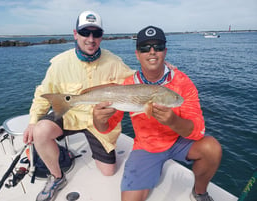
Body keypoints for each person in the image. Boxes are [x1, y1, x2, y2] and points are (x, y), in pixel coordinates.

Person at [93, 25, 222, 201]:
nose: (152, 52)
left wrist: (173, 121)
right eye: (145, 48)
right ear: (137, 54)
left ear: (165, 51)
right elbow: (106, 127)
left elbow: (198, 129)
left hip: (178, 141)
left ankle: (200, 193)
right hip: (146, 147)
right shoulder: (128, 85)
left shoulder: (183, 82)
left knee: (212, 148)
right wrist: (98, 119)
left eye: (158, 47)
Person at [23, 10, 134, 201]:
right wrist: (33, 121)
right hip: (70, 115)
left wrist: (162, 72)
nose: (91, 39)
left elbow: (135, 81)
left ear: (101, 37)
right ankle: (57, 176)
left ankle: (87, 150)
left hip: (98, 123)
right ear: (75, 34)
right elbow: (43, 94)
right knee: (40, 131)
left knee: (108, 172)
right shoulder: (59, 64)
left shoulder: (114, 62)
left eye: (96, 34)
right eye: (85, 33)